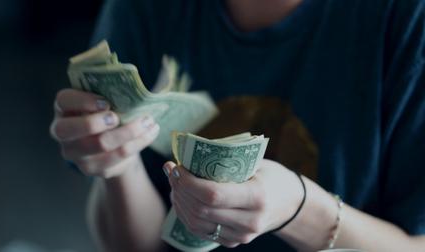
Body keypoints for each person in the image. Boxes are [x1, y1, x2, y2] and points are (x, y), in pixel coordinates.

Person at [49, 0, 425, 251]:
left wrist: (302, 210)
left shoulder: (408, 18)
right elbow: (139, 247)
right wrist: (118, 166)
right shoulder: (145, 8)